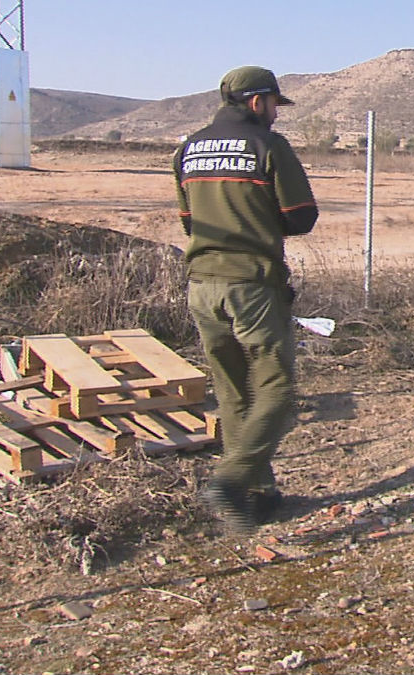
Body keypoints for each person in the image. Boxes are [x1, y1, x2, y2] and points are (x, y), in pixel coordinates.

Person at [174, 66, 318, 533]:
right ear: (257, 102)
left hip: (201, 284)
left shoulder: (188, 149)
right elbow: (300, 217)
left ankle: (258, 495)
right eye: (275, 104)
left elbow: (188, 222)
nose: (277, 113)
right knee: (276, 389)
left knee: (233, 390)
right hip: (253, 284)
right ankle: (232, 481)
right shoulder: (268, 147)